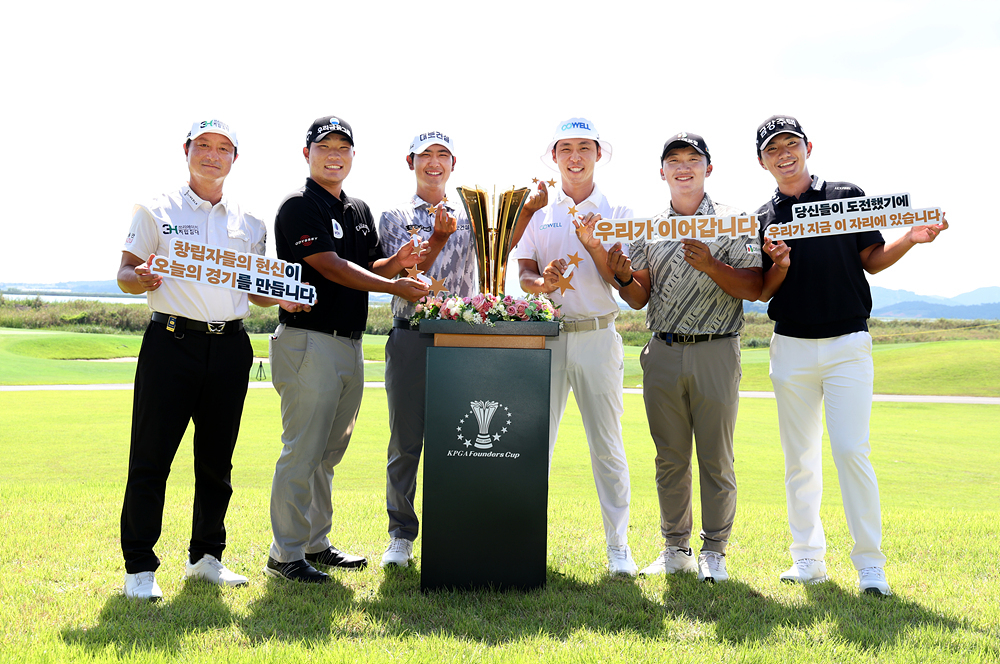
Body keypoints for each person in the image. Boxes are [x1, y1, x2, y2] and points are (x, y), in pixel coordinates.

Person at [754, 114, 948, 596]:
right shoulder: (762, 217)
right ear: (762, 162)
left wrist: (910, 238)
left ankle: (870, 565)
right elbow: (764, 287)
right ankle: (807, 558)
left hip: (848, 344)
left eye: (791, 144)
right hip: (791, 346)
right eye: (773, 149)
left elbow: (872, 260)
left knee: (850, 450)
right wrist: (778, 263)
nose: (783, 154)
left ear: (808, 147)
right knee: (799, 458)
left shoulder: (846, 195)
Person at [118, 119, 307, 600]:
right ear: (186, 150)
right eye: (203, 145)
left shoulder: (250, 221)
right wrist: (142, 278)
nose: (212, 154)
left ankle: (206, 557)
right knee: (151, 458)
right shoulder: (155, 209)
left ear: (234, 158)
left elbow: (256, 289)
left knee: (216, 461)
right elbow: (124, 273)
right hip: (170, 343)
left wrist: (285, 297)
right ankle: (139, 567)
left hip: (229, 346)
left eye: (223, 148)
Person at [265, 115, 429, 583]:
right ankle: (284, 553)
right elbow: (331, 266)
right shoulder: (298, 206)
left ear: (353, 155)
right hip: (308, 340)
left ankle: (314, 544)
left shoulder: (357, 209)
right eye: (325, 147)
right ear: (307, 154)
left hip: (349, 344)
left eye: (343, 148)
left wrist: (396, 263)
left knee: (327, 453)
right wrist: (393, 285)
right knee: (302, 450)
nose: (334, 155)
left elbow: (368, 264)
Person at [603, 133, 762, 582]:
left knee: (716, 458)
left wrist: (712, 265)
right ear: (662, 172)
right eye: (674, 160)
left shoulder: (734, 221)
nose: (684, 167)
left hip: (716, 348)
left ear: (708, 169)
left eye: (694, 159)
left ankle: (715, 551)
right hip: (664, 350)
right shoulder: (649, 227)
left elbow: (754, 287)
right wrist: (622, 278)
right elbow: (639, 296)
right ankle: (676, 548)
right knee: (670, 457)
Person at [513, 117, 637, 575]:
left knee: (607, 446)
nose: (575, 157)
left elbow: (622, 281)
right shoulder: (539, 210)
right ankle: (523, 543)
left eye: (584, 147)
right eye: (566, 148)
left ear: (598, 154)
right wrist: (540, 284)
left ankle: (618, 547)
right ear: (554, 156)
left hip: (598, 336)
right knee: (534, 445)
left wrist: (595, 246)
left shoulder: (618, 210)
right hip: (548, 338)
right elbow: (524, 272)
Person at [377, 131, 478, 568]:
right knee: (405, 442)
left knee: (462, 440)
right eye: (425, 155)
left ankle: (454, 529)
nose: (434, 162)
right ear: (411, 162)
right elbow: (405, 278)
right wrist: (436, 237)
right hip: (411, 335)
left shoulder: (471, 214)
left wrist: (528, 210)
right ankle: (400, 535)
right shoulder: (395, 216)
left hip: (461, 338)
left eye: (442, 155)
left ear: (453, 164)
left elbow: (502, 249)